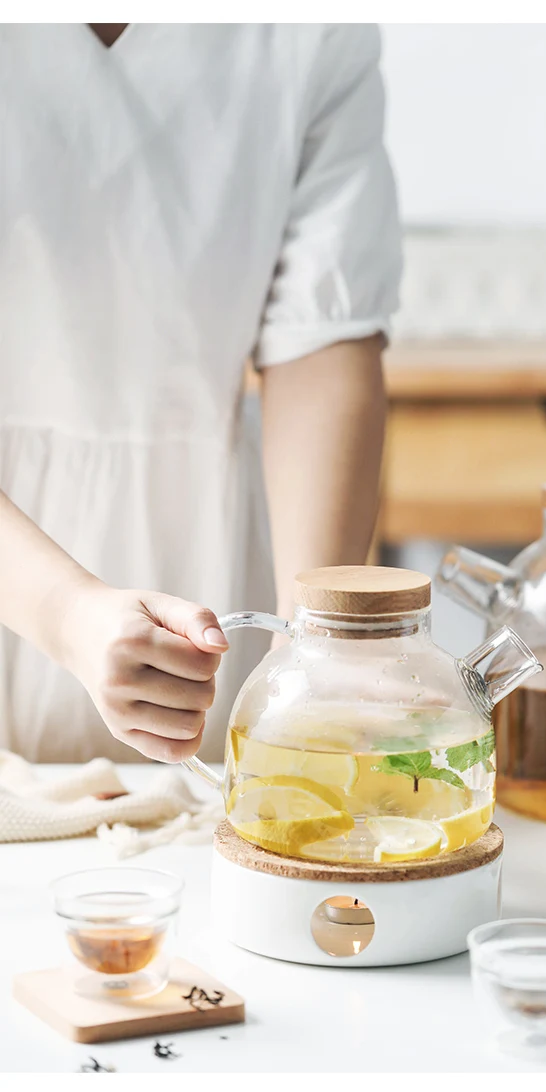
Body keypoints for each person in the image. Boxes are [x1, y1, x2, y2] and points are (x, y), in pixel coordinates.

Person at [0, 23, 400, 763]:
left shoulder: (310, 31)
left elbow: (322, 337)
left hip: (210, 543)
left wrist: (312, 649)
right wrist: (66, 612)